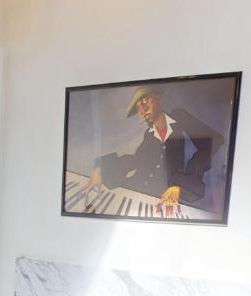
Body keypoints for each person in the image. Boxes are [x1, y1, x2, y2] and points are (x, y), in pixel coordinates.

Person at [86, 86, 218, 213]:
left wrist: (181, 185)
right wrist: (101, 168)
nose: (142, 110)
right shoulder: (149, 135)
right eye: (138, 108)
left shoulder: (180, 117)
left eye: (145, 101)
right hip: (136, 190)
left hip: (161, 197)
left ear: (158, 97)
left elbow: (211, 143)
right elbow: (137, 160)